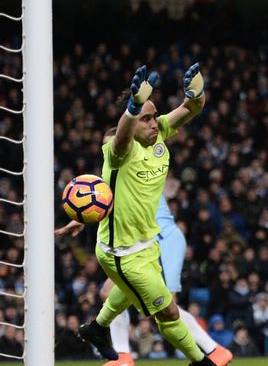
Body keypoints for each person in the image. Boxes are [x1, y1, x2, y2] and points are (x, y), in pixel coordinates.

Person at [74, 63, 216, 365]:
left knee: (127, 293)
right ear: (131, 122)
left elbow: (191, 108)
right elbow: (123, 133)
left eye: (154, 116)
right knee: (168, 311)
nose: (154, 123)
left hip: (147, 241)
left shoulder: (159, 133)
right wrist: (133, 108)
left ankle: (98, 328)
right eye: (146, 118)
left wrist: (197, 93)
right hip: (121, 253)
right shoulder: (118, 151)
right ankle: (199, 361)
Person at [56, 190, 233, 366]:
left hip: (161, 239)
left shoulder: (135, 168)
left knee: (167, 307)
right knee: (109, 291)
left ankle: (213, 351)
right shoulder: (131, 170)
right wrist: (83, 218)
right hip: (145, 241)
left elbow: (113, 197)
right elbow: (111, 199)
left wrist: (82, 217)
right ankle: (122, 354)